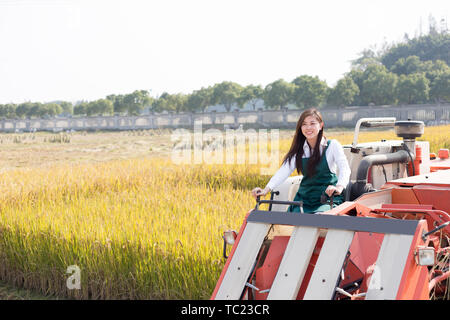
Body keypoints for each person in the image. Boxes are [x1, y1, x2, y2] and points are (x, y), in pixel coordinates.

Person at [251, 108, 351, 213]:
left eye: (312, 123)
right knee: (290, 221)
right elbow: (284, 171)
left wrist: (339, 187)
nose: (308, 128)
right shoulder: (299, 150)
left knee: (320, 218)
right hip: (304, 199)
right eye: (304, 124)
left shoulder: (332, 145)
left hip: (327, 198)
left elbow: (345, 168)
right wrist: (265, 190)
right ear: (300, 127)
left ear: (321, 125)